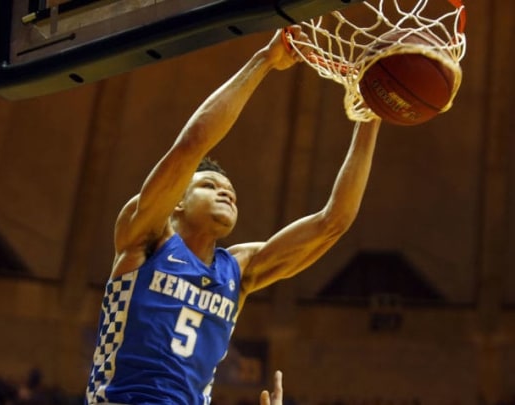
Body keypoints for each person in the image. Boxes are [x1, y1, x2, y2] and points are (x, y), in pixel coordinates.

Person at [85, 25, 382, 405]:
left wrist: (369, 114)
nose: (226, 191)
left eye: (232, 193)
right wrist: (265, 61)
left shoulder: (238, 271)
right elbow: (192, 144)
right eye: (209, 185)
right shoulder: (145, 239)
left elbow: (333, 222)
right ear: (177, 201)